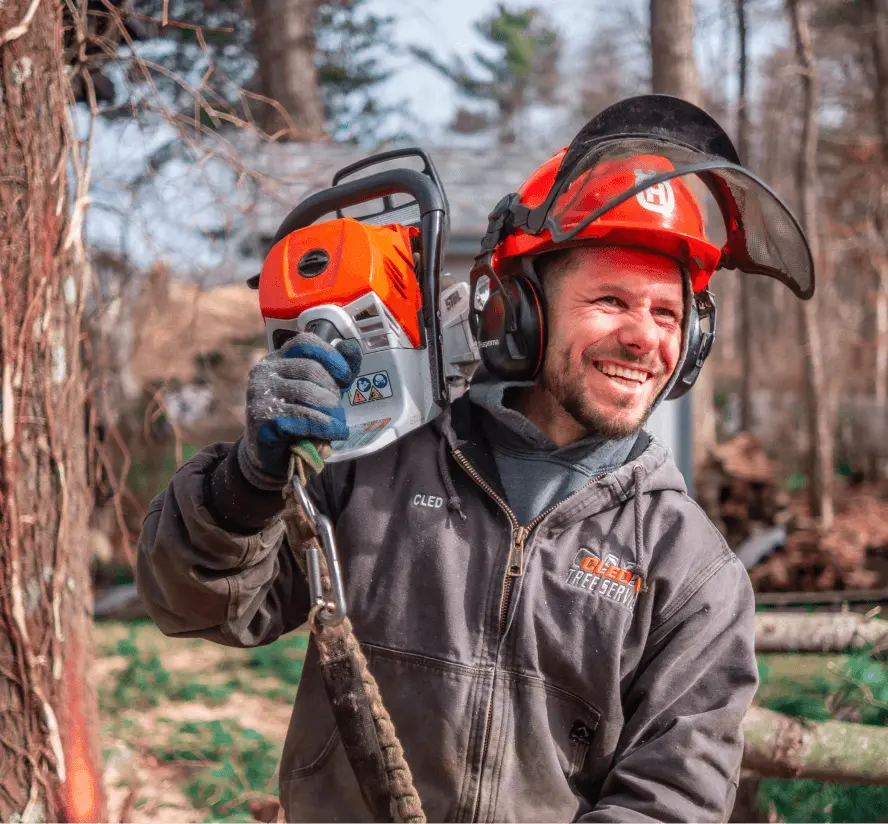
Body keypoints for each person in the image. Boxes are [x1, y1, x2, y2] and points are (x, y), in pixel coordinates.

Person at [137, 96, 812, 823]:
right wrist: (249, 484)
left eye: (667, 313)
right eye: (611, 300)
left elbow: (671, 800)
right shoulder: (377, 467)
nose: (644, 338)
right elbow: (195, 608)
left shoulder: (690, 571)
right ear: (521, 307)